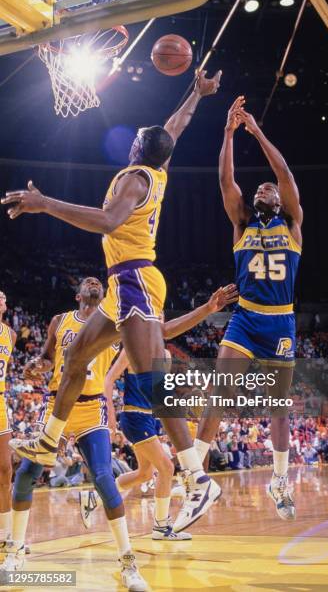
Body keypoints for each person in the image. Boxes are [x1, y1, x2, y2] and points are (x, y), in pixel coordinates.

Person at [3, 71, 224, 532]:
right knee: (76, 356)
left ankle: (198, 478)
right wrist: (196, 95)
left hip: (136, 282)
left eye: (140, 136)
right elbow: (174, 127)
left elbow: (107, 221)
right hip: (123, 286)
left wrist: (46, 204)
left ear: (136, 148)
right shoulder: (158, 168)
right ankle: (48, 440)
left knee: (152, 381)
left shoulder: (133, 179)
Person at [192, 96, 303, 522]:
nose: (264, 189)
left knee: (279, 406)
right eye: (259, 188)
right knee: (219, 392)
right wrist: (227, 133)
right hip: (245, 318)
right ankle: (194, 478)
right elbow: (226, 182)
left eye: (268, 189)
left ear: (280, 201)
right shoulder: (241, 223)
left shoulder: (292, 225)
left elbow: (286, 173)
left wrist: (255, 131)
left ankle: (278, 479)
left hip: (280, 323)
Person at [1, 278, 147, 591]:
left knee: (104, 479)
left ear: (103, 294)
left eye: (98, 281)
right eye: (87, 282)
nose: (93, 282)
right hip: (56, 406)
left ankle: (128, 563)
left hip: (92, 410)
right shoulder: (60, 321)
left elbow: (153, 332)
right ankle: (13, 551)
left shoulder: (113, 321)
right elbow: (46, 360)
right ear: (78, 294)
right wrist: (35, 366)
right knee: (26, 474)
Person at [79, 285, 238, 537]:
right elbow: (109, 380)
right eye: (157, 315)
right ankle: (161, 526)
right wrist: (108, 415)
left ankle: (92, 498)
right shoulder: (133, 345)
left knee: (144, 473)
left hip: (149, 418)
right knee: (166, 468)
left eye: (162, 315)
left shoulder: (163, 353)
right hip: (133, 416)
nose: (161, 320)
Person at [0, 291, 17, 553]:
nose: (3, 298)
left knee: (5, 469)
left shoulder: (10, 335)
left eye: (3, 297)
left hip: (0, 403)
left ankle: (6, 532)